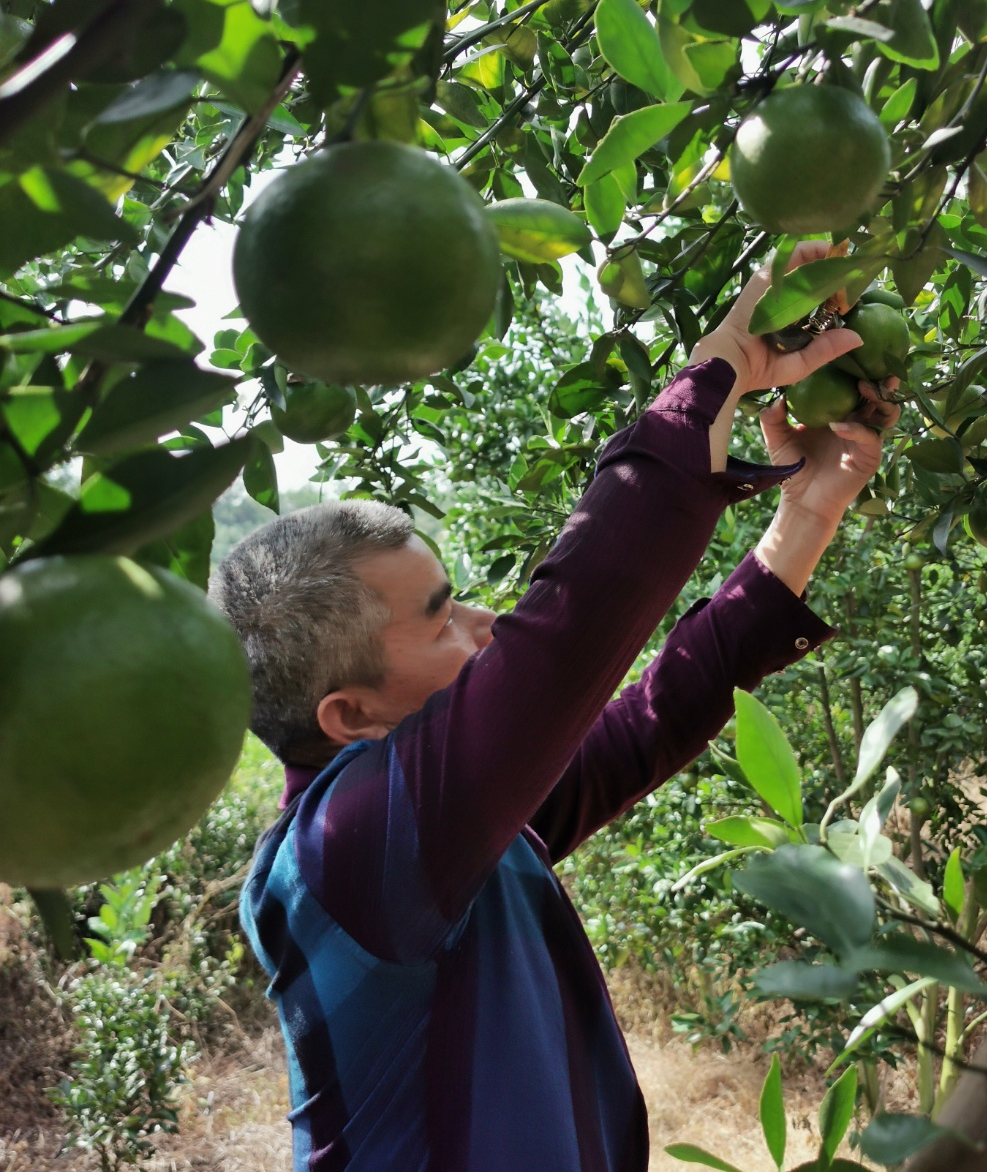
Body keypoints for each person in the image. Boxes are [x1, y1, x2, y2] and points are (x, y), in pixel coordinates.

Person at [210, 242, 899, 1172]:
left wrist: (807, 513)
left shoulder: (450, 837)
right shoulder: (350, 849)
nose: (487, 624)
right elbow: (567, 637)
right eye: (440, 618)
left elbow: (650, 718)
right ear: (350, 716)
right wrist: (720, 366)